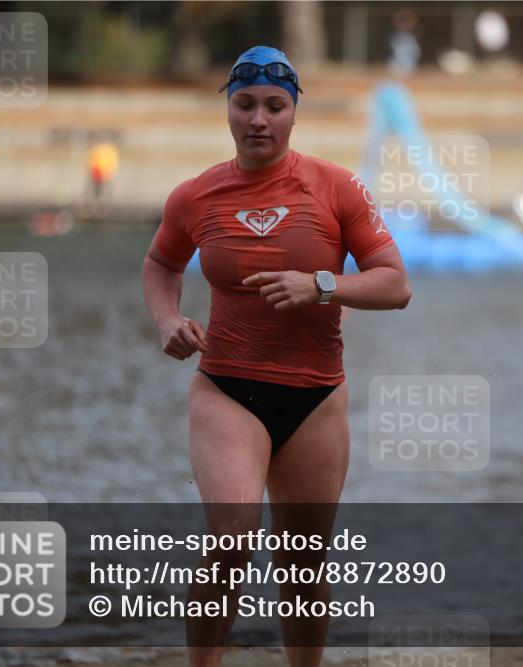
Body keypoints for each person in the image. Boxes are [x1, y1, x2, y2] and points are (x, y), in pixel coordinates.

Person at [142, 46, 411, 667]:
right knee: (232, 541)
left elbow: (395, 284)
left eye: (274, 106)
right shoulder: (196, 196)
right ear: (228, 110)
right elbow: (161, 264)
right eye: (245, 105)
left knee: (303, 561)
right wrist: (167, 319)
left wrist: (320, 284)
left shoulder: (337, 187)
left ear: (294, 114)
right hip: (227, 388)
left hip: (316, 396)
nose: (258, 119)